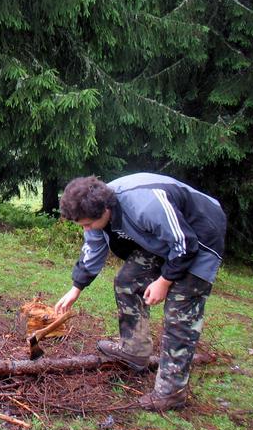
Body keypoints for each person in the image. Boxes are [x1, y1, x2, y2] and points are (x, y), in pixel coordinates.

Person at [54, 173, 226, 411]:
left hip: (200, 236)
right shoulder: (95, 210)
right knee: (127, 280)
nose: (86, 228)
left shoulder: (146, 204)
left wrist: (164, 281)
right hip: (166, 238)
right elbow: (94, 246)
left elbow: (186, 244)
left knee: (179, 312)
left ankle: (171, 392)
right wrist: (76, 288)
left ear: (105, 210)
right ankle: (134, 350)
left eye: (87, 224)